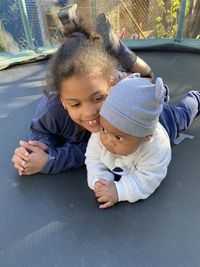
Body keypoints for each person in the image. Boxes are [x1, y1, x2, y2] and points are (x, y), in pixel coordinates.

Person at [11, 13, 200, 176]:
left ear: (112, 85)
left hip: (135, 88)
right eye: (75, 104)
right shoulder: (51, 109)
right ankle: (107, 46)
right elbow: (41, 131)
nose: (90, 113)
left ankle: (118, 49)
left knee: (149, 79)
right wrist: (40, 147)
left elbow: (96, 150)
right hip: (111, 80)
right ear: (62, 99)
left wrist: (51, 160)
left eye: (98, 98)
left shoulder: (122, 100)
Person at [85, 75, 200, 209]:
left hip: (167, 120)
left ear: (147, 137)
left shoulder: (157, 147)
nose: (108, 140)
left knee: (184, 115)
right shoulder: (104, 131)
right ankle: (159, 96)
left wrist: (119, 190)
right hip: (141, 114)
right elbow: (92, 157)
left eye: (118, 137)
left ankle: (195, 98)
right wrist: (99, 180)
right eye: (104, 129)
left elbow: (148, 178)